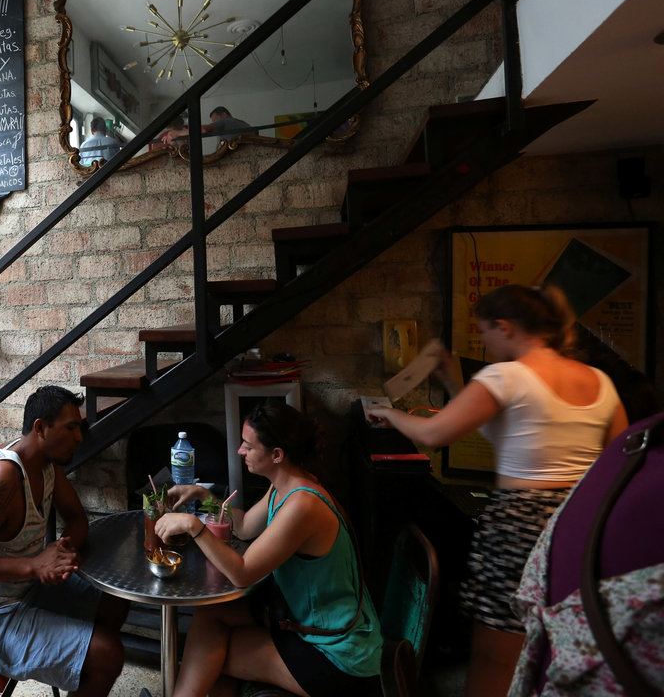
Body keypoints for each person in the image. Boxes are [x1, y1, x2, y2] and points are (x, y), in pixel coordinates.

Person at [365, 284, 628, 697]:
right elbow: (617, 458)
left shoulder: (506, 376)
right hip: (581, 522)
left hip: (520, 525)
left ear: (504, 327)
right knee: (561, 642)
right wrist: (455, 383)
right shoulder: (599, 381)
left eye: (485, 331)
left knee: (497, 653)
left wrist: (389, 413)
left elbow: (434, 433)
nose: (485, 342)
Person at [154, 404, 383, 697]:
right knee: (211, 616)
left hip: (338, 653)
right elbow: (244, 526)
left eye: (248, 446)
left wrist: (193, 526)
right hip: (304, 622)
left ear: (277, 454)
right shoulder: (283, 485)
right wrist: (204, 496)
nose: (240, 451)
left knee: (208, 659)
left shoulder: (303, 505)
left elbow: (242, 573)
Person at [0, 385, 128, 697]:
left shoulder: (47, 465)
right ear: (40, 428)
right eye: (71, 428)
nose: (79, 438)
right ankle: (89, 660)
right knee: (108, 654)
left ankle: (80, 666)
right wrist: (35, 565)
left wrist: (60, 555)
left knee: (115, 597)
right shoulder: (2, 480)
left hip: (26, 590)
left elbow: (77, 519)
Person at [508, 409, 664, 696]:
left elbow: (434, 434)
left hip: (558, 519)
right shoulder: (610, 399)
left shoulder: (641, 439)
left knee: (492, 652)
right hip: (563, 502)